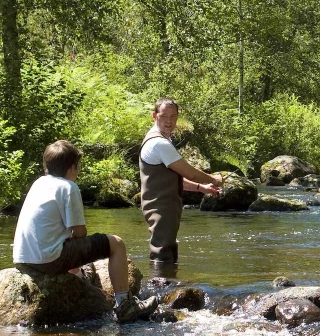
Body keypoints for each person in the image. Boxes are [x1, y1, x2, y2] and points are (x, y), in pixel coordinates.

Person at [13, 140, 158, 324]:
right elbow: (79, 233)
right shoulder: (68, 187)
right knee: (116, 243)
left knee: (69, 246)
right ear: (72, 167)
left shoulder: (38, 183)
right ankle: (125, 305)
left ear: (46, 166)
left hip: (24, 257)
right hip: (48, 260)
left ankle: (78, 273)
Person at [139, 98, 224, 264]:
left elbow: (174, 177)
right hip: (161, 207)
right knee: (162, 253)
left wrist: (202, 188)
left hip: (162, 206)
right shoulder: (159, 143)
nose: (169, 121)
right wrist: (215, 179)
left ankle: (168, 286)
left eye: (173, 116)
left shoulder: (159, 139)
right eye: (164, 116)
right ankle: (160, 289)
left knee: (168, 249)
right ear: (154, 116)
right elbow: (189, 173)